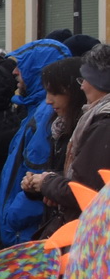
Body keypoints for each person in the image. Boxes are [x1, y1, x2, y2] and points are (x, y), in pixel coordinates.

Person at [0, 38, 72, 246]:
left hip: (27, 230)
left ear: (36, 69)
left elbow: (36, 173)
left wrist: (14, 217)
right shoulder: (37, 110)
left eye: (21, 65)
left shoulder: (47, 114)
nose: (15, 72)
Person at [31, 44, 110, 231]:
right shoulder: (96, 119)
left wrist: (46, 182)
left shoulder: (104, 124)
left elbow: (84, 190)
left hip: (91, 231)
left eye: (85, 79)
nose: (81, 86)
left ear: (100, 82)